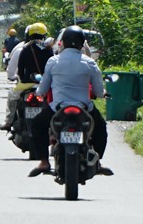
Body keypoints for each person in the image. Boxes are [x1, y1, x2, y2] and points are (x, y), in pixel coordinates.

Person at [29, 26, 113, 176]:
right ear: (82, 43)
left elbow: (43, 88)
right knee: (100, 127)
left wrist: (39, 93)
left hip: (58, 107)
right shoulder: (89, 63)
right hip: (84, 107)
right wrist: (103, 93)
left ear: (63, 42)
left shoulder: (53, 61)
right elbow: (99, 91)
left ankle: (43, 161)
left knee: (38, 124)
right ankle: (97, 162)